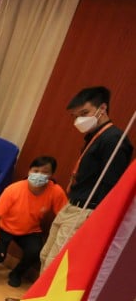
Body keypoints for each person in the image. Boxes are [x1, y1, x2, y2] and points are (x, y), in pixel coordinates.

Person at [36, 88, 132, 285]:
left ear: (102, 108)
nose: (79, 120)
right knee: (46, 255)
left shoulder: (113, 139)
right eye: (75, 116)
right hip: (73, 204)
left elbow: (112, 184)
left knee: (55, 263)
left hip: (86, 209)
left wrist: (96, 216)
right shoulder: (95, 136)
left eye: (84, 113)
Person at [0, 156, 67, 289]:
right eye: (36, 171)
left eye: (45, 172)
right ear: (29, 171)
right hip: (4, 227)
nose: (39, 175)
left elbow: (64, 217)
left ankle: (16, 273)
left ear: (51, 175)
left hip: (30, 231)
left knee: (35, 252)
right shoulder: (13, 190)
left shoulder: (56, 191)